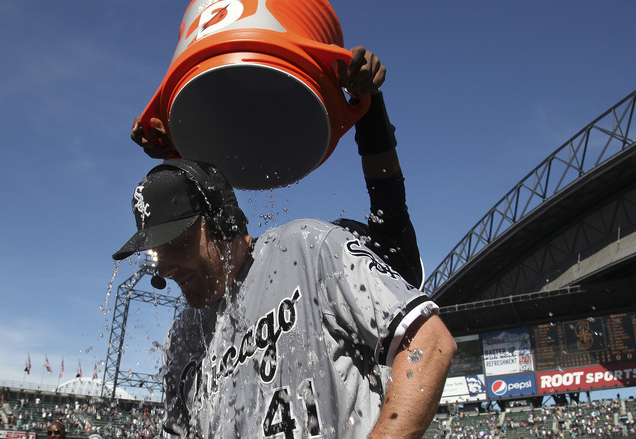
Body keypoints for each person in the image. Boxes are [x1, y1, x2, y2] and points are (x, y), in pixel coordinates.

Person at [130, 47, 425, 289]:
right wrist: (177, 144)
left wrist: (368, 104)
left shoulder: (356, 260)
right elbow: (208, 205)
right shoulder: (240, 290)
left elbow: (387, 199)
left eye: (180, 245)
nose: (167, 272)